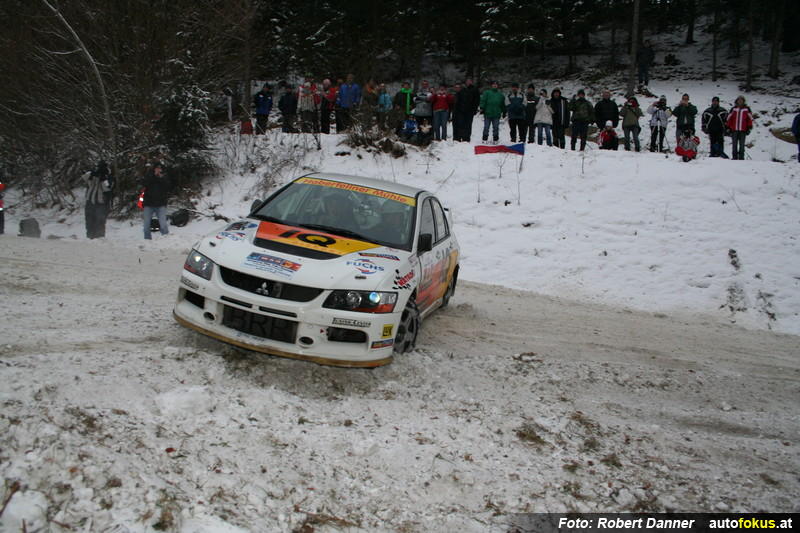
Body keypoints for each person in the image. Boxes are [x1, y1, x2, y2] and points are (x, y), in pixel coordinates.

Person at [83, 160, 113, 239]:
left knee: (100, 222)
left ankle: (99, 238)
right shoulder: (94, 175)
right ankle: (90, 238)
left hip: (102, 203)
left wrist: (103, 178)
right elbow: (84, 177)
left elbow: (107, 188)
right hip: (90, 201)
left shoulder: (108, 176)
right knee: (89, 222)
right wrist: (92, 173)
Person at [141, 161, 171, 240]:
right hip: (148, 204)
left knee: (163, 224)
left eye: (160, 168)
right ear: (154, 169)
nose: (158, 169)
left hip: (161, 204)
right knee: (146, 225)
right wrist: (153, 176)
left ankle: (167, 240)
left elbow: (168, 187)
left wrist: (161, 178)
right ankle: (147, 240)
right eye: (157, 168)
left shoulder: (164, 176)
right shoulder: (149, 175)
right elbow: (144, 184)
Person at [726, 96, 754, 160]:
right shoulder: (733, 109)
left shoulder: (747, 109)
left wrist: (749, 127)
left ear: (743, 101)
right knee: (734, 144)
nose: (740, 101)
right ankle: (734, 157)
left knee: (742, 145)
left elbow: (750, 119)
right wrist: (728, 127)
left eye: (741, 100)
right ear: (737, 101)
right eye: (739, 100)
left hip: (743, 130)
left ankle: (741, 157)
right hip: (734, 129)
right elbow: (729, 118)